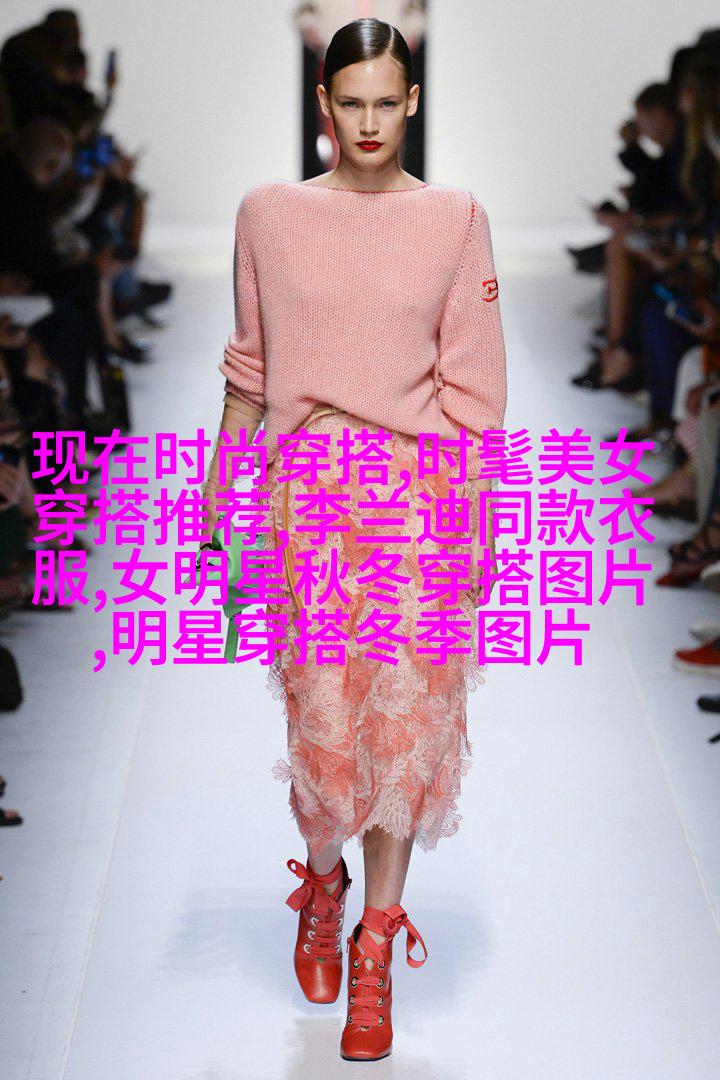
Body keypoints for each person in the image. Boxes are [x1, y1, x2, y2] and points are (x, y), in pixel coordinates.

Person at [201, 17, 507, 1062]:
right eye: (351, 103)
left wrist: (477, 529)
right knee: (324, 726)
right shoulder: (270, 215)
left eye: (387, 102)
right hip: (307, 504)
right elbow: (250, 370)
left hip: (419, 504)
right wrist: (219, 496)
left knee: (402, 734)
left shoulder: (455, 218)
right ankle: (323, 885)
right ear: (323, 104)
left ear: (411, 102)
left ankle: (373, 953)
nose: (369, 123)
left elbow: (474, 391)